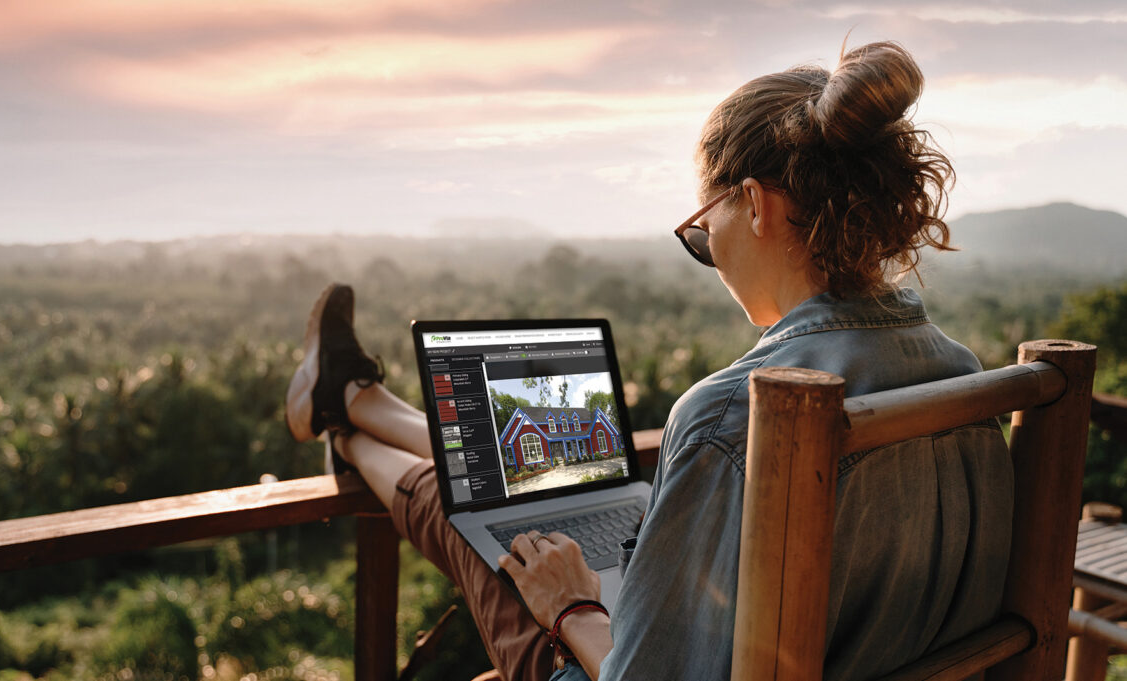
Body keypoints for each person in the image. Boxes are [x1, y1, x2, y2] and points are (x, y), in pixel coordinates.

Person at [284, 40, 1012, 681]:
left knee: (469, 511)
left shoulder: (734, 415)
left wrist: (569, 605)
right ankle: (354, 403)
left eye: (703, 229)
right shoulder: (961, 374)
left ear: (754, 205)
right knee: (508, 483)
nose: (709, 252)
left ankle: (345, 423)